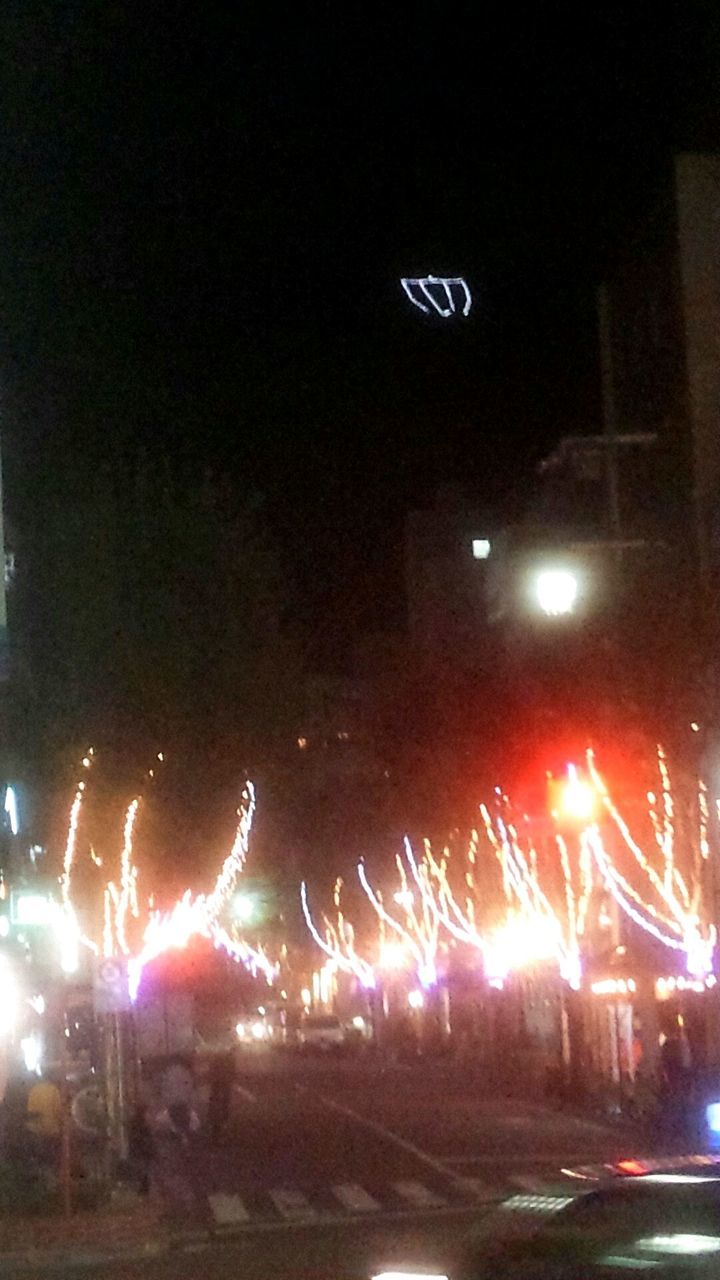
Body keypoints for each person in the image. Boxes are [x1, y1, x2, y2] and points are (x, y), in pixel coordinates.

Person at [207, 1050, 235, 1145]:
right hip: (221, 1082)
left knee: (219, 1105)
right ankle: (218, 1132)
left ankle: (216, 1132)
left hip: (219, 1083)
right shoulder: (227, 1058)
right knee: (221, 1106)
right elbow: (231, 1070)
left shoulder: (219, 1057)